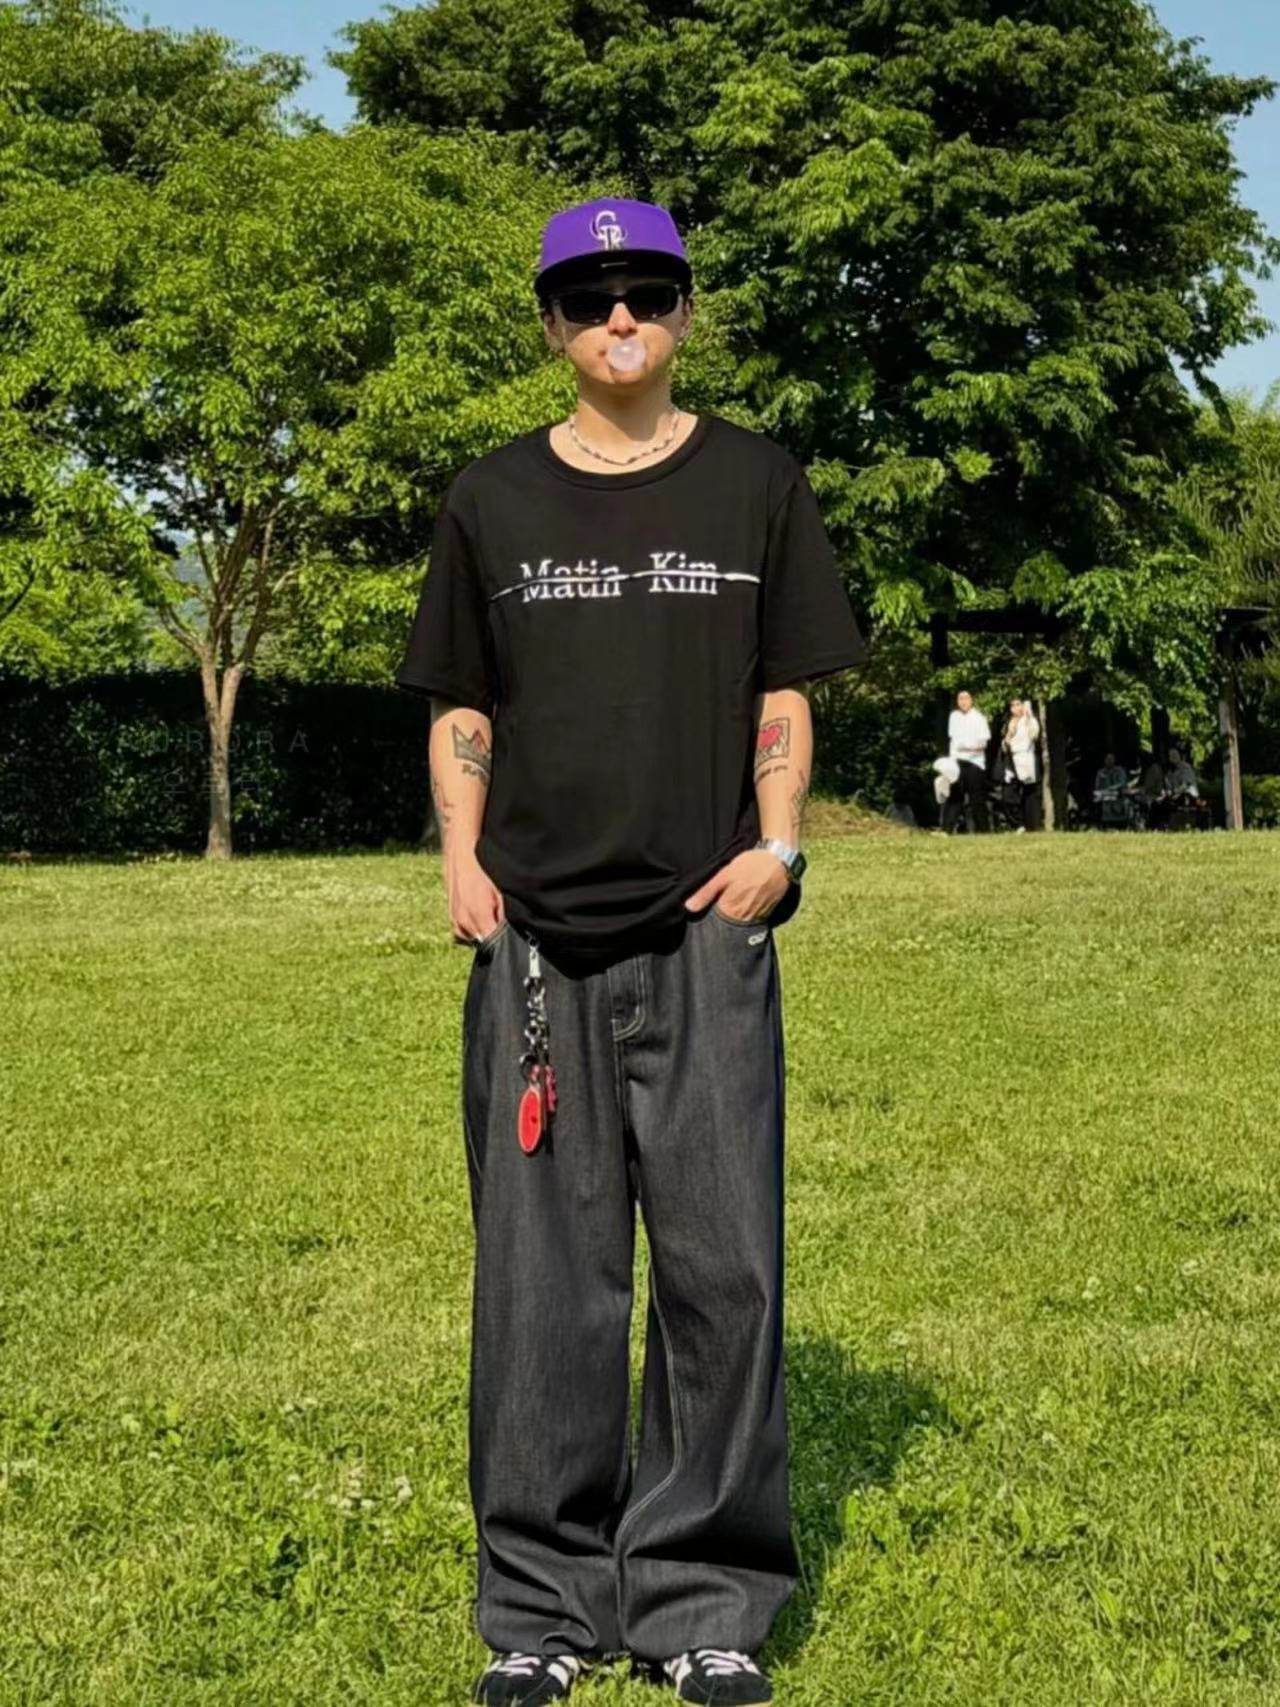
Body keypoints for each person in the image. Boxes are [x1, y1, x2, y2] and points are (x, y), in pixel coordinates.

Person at [395, 197, 867, 1707]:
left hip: (706, 931)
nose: (621, 319)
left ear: (683, 313)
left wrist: (777, 852)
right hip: (538, 939)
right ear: (551, 321)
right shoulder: (491, 499)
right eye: (592, 297)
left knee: (725, 1272)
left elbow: (784, 689)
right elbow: (462, 700)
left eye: (648, 294)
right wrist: (462, 859)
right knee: (544, 1288)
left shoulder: (754, 483)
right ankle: (539, 1608)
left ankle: (699, 1602)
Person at [943, 689, 991, 832]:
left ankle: (984, 830)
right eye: (960, 699)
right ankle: (947, 829)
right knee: (955, 796)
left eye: (966, 698)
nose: (963, 702)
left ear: (971, 700)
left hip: (974, 762)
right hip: (957, 762)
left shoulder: (979, 718)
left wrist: (967, 748)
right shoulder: (954, 716)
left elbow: (983, 743)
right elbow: (952, 739)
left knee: (977, 798)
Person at [1000, 697, 1042, 832]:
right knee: (1008, 795)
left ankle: (1032, 826)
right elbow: (1004, 745)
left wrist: (1029, 716)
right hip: (1012, 759)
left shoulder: (1030, 720)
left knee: (1030, 793)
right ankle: (1018, 823)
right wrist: (1009, 735)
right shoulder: (1008, 723)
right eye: (1012, 705)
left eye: (1018, 704)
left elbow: (1034, 735)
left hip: (1026, 758)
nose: (1015, 708)